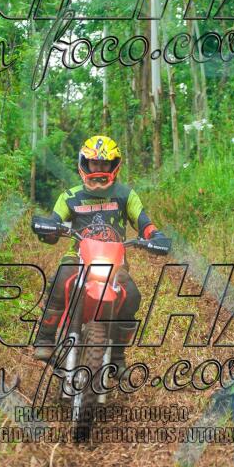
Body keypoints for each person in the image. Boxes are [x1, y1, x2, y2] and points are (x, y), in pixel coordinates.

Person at [31, 134, 169, 366]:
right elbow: (55, 220)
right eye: (94, 163)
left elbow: (144, 222)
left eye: (104, 164)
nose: (99, 169)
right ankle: (45, 339)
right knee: (61, 279)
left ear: (114, 165)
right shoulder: (70, 196)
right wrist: (49, 228)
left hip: (115, 263)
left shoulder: (125, 195)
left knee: (132, 296)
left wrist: (155, 236)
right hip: (78, 258)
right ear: (85, 164)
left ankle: (117, 357)